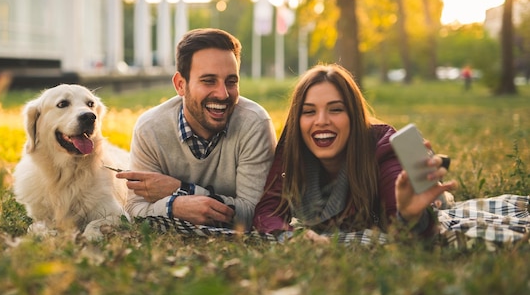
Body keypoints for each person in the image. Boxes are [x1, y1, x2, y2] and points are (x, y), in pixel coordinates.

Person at [253, 63, 457, 241]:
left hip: (418, 183)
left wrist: (410, 217)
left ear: (354, 116)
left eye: (336, 109)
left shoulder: (383, 150)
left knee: (439, 201)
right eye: (309, 111)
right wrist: (290, 237)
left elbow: (404, 217)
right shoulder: (294, 147)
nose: (321, 121)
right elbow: (267, 211)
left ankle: (442, 195)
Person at [117, 28, 277, 230]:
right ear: (180, 85)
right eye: (208, 81)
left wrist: (179, 190)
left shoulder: (254, 123)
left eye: (231, 81)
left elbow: (256, 214)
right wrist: (174, 207)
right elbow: (134, 210)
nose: (223, 94)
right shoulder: (149, 129)